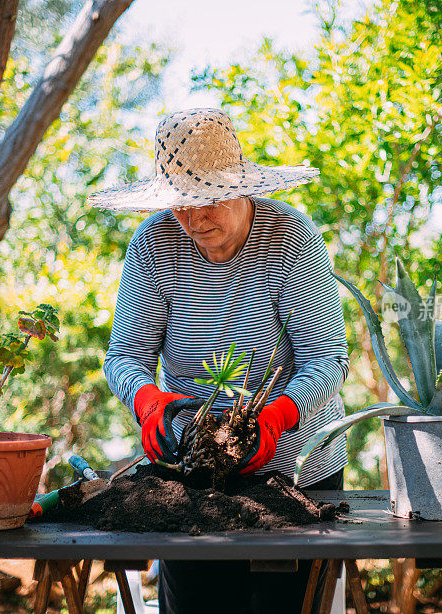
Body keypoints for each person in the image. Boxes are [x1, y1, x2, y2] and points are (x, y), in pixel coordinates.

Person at [90, 107, 350, 614]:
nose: (193, 220)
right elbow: (125, 355)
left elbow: (327, 359)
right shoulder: (154, 240)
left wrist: (278, 417)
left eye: (206, 201)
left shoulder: (291, 236)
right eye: (180, 206)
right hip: (193, 465)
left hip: (296, 468)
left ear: (241, 188)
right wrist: (148, 402)